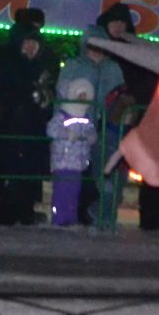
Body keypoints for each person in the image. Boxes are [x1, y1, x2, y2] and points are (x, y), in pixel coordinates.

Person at [96, 3, 159, 232]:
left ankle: (151, 212)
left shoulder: (135, 50)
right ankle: (99, 211)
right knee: (105, 164)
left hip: (141, 114)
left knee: (152, 162)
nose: (119, 26)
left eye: (123, 22)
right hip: (112, 116)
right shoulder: (104, 50)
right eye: (115, 21)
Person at [62, 25, 129, 225]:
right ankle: (79, 214)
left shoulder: (113, 68)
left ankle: (102, 213)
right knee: (79, 174)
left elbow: (121, 94)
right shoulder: (75, 66)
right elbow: (63, 91)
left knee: (108, 174)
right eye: (92, 44)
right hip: (79, 125)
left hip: (108, 127)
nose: (96, 49)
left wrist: (118, 115)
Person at [0, 21, 56, 225]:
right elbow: (4, 91)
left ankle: (25, 209)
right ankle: (7, 211)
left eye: (33, 44)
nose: (29, 48)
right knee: (10, 170)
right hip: (13, 126)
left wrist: (44, 100)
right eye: (26, 43)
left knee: (30, 170)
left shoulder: (43, 68)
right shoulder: (9, 66)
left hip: (33, 128)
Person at [46, 76, 99, 226]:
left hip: (78, 162)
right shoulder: (62, 115)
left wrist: (91, 137)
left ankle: (70, 217)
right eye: (80, 96)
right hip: (63, 161)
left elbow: (91, 132)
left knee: (74, 192)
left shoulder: (85, 117)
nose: (82, 100)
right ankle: (59, 218)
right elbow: (51, 130)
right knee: (62, 191)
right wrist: (66, 134)